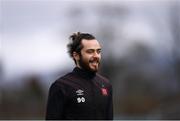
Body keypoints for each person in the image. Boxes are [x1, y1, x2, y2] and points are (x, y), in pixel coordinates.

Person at [45, 32, 113, 120]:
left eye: (98, 51)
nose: (96, 56)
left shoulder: (106, 84)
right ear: (76, 55)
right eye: (90, 51)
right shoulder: (61, 86)